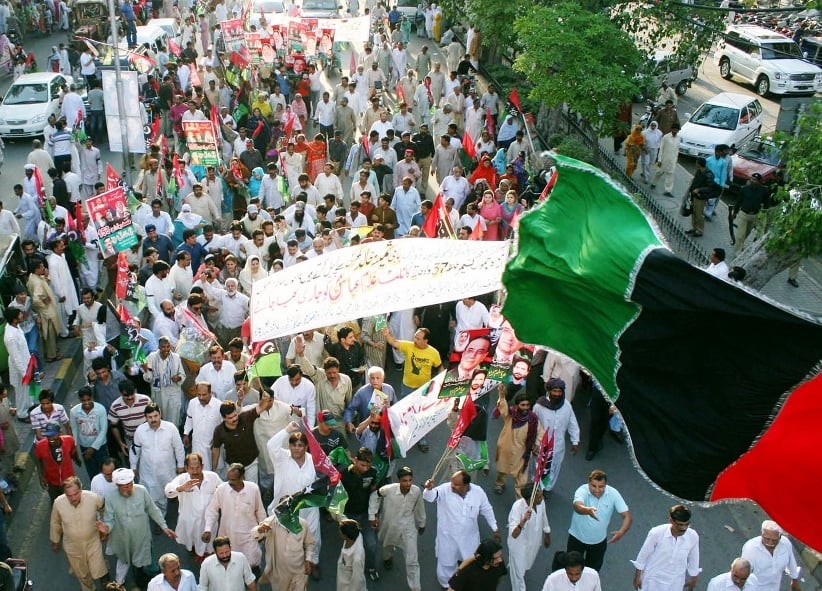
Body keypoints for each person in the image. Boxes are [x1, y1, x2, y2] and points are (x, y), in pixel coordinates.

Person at [423, 470, 500, 588]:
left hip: (469, 538)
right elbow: (430, 497)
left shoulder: (478, 492)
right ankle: (446, 585)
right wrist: (428, 489)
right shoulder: (445, 489)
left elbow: (486, 509)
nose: (452, 486)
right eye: (452, 482)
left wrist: (494, 528)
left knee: (471, 563)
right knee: (446, 564)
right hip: (448, 538)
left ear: (466, 485)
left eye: (456, 484)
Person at [101, 468, 177, 587]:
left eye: (130, 484)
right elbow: (109, 520)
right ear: (117, 485)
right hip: (124, 540)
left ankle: (159, 585)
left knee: (148, 564)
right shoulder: (110, 497)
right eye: (124, 486)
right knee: (132, 565)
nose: (128, 488)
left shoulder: (141, 491)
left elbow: (153, 509)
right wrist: (106, 528)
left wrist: (164, 526)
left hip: (142, 538)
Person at [266, 423, 322, 573]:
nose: (297, 448)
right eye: (293, 445)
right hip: (286, 508)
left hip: (308, 506)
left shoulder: (314, 460)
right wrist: (286, 430)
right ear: (289, 446)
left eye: (300, 445)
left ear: (306, 447)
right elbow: (271, 445)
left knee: (313, 534)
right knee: (283, 539)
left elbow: (324, 477)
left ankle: (313, 561)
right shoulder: (281, 458)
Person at [368, 466, 426, 591]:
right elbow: (374, 496)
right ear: (399, 480)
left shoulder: (416, 491)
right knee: (386, 544)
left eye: (410, 480)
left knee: (412, 559)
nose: (408, 483)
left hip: (408, 527)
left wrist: (422, 523)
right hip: (389, 524)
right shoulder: (388, 490)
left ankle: (415, 587)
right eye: (405, 481)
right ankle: (387, 558)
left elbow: (419, 507)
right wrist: (372, 515)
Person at [49, 476, 109, 591]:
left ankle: (107, 583)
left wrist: (104, 528)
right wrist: (55, 541)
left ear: (81, 490)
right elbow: (55, 522)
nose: (72, 498)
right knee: (82, 574)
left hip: (93, 542)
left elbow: (104, 511)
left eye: (75, 494)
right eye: (69, 496)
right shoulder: (58, 503)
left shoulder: (93, 498)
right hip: (73, 546)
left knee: (98, 568)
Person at [203, 463, 267, 569]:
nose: (230, 482)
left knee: (252, 563)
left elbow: (259, 511)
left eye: (233, 480)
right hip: (228, 535)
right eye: (229, 479)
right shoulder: (221, 489)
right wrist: (207, 529)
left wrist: (263, 529)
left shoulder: (253, 489)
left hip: (249, 536)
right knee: (230, 565)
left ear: (242, 477)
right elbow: (212, 510)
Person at [567, 470, 631, 571]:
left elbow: (627, 516)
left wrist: (621, 532)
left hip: (598, 543)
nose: (597, 490)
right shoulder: (582, 490)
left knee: (592, 573)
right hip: (576, 539)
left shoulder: (613, 493)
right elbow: (577, 506)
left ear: (606, 485)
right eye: (593, 486)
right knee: (571, 568)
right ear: (588, 483)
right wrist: (587, 510)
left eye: (601, 486)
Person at [164, 452, 222, 562]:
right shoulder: (182, 479)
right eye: (191, 468)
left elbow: (223, 490)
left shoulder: (212, 477)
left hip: (209, 520)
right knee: (191, 541)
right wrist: (180, 488)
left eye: (198, 468)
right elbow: (168, 491)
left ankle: (205, 555)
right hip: (190, 520)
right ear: (186, 468)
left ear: (202, 466)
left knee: (209, 544)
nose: (195, 471)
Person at [131, 404, 186, 515]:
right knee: (154, 496)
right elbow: (134, 450)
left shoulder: (170, 428)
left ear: (160, 414)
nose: (153, 419)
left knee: (172, 491)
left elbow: (179, 447)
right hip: (148, 471)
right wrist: (133, 467)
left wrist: (180, 465)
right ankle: (160, 519)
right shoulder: (140, 430)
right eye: (150, 417)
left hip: (167, 470)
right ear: (145, 417)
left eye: (155, 416)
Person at [632, 505, 700, 591]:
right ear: (671, 520)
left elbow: (694, 558)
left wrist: (693, 578)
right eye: (680, 524)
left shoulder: (693, 536)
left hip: (675, 582)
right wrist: (637, 576)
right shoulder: (656, 533)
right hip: (653, 579)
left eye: (687, 524)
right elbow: (643, 555)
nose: (684, 528)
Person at [533, 378, 580, 492]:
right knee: (539, 467)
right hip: (541, 445)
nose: (557, 394)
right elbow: (533, 426)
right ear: (549, 391)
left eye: (559, 391)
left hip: (558, 446)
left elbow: (572, 423)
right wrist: (533, 443)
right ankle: (538, 488)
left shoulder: (567, 405)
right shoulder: (539, 406)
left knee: (554, 467)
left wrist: (575, 441)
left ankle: (548, 488)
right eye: (554, 391)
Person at [493, 388, 542, 497]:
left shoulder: (533, 418)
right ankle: (500, 483)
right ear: (517, 405)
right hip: (506, 447)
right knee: (502, 469)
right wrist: (501, 396)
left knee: (521, 480)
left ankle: (519, 503)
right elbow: (503, 409)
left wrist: (537, 444)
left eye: (527, 405)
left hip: (522, 452)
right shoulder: (510, 415)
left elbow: (540, 432)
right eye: (522, 405)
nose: (525, 408)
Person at [252, 513, 315, 591]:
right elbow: (254, 534)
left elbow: (310, 544)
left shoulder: (303, 523)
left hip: (299, 572)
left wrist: (308, 560)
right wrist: (259, 529)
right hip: (280, 574)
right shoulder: (272, 522)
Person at [507, 483, 551, 591]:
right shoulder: (517, 507)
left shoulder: (541, 502)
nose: (542, 498)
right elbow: (514, 534)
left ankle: (514, 565)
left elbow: (544, 517)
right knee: (519, 576)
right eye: (539, 497)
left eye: (541, 495)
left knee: (526, 565)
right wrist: (524, 520)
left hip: (534, 542)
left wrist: (547, 534)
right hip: (518, 546)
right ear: (529, 499)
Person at [741, 520, 801, 591]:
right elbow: (742, 574)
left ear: (780, 537)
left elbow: (791, 563)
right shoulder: (750, 548)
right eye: (767, 539)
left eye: (774, 540)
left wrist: (795, 581)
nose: (770, 543)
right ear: (762, 534)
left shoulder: (786, 544)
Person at [142, 336, 185, 427]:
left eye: (168, 346)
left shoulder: (176, 357)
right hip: (158, 393)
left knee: (173, 419)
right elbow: (148, 379)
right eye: (163, 347)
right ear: (159, 347)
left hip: (173, 393)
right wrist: (146, 370)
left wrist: (178, 378)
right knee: (160, 418)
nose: (166, 349)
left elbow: (182, 375)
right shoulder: (152, 357)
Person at [183, 382, 224, 472]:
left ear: (210, 393)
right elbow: (189, 418)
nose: (201, 398)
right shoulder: (192, 403)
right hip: (198, 443)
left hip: (214, 445)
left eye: (204, 395)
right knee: (199, 469)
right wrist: (186, 433)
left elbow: (224, 425)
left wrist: (218, 439)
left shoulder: (219, 405)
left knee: (217, 470)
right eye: (199, 395)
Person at [70, 386, 108, 479]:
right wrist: (74, 446)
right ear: (80, 399)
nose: (86, 403)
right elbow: (74, 429)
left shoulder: (100, 409)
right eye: (83, 400)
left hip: (100, 446)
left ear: (92, 398)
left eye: (88, 399)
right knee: (92, 473)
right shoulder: (74, 411)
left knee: (105, 471)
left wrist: (92, 448)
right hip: (84, 446)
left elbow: (103, 430)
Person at [35, 425, 81, 502]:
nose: (50, 439)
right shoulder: (40, 445)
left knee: (73, 500)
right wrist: (41, 477)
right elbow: (38, 460)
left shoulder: (69, 440)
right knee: (56, 502)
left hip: (69, 480)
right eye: (48, 436)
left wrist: (77, 459)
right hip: (52, 481)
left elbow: (73, 451)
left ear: (60, 433)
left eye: (53, 435)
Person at [4, 307, 32, 422]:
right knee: (21, 392)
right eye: (19, 314)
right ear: (14, 319)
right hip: (20, 368)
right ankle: (22, 414)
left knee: (27, 390)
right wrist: (24, 373)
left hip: (27, 363)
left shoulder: (16, 327)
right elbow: (16, 358)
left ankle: (29, 405)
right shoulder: (10, 337)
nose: (22, 315)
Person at [651, 123, 680, 197]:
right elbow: (661, 149)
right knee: (659, 172)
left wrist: (676, 159)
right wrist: (659, 160)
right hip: (664, 159)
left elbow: (677, 149)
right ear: (671, 129)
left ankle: (668, 191)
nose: (675, 131)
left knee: (670, 175)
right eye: (674, 129)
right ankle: (653, 183)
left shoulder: (678, 138)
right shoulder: (666, 137)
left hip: (672, 161)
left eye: (677, 130)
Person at [338, 519, 367, 591]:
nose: (339, 533)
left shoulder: (357, 558)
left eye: (341, 532)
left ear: (345, 535)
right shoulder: (357, 535)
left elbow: (356, 581)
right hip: (342, 580)